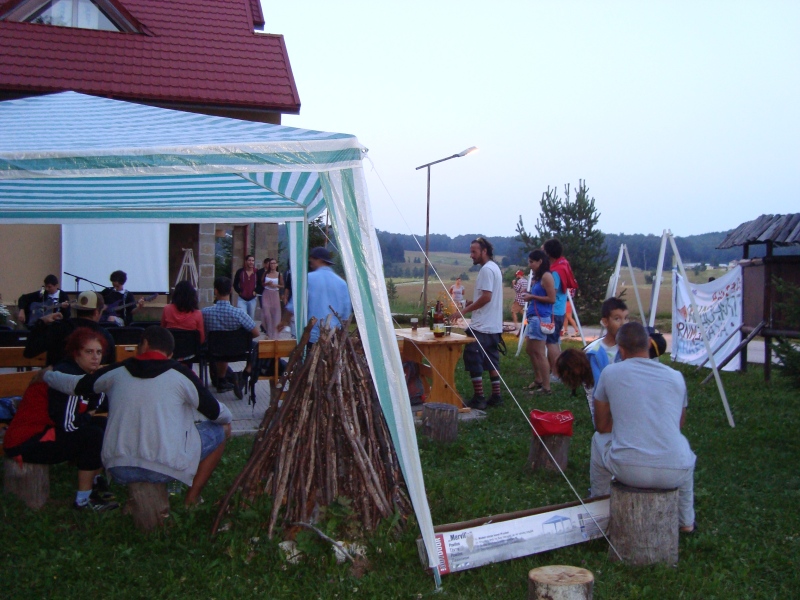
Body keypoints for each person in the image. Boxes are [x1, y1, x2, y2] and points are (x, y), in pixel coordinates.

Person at [43, 326, 232, 507]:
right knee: (221, 429)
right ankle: (192, 499)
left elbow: (73, 385)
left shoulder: (116, 371)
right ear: (170, 354)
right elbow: (218, 414)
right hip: (164, 469)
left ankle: (152, 496)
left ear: (144, 344)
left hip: (119, 467)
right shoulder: (182, 374)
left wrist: (47, 375)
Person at [590, 322, 696, 533]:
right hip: (674, 471)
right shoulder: (676, 376)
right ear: (648, 343)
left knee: (598, 440)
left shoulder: (610, 373)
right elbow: (678, 423)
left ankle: (598, 507)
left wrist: (627, 421)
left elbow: (601, 426)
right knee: (682, 450)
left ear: (621, 350)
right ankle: (686, 521)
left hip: (628, 469)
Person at [4, 329, 118, 511]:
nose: (95, 357)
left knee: (102, 425)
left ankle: (95, 482)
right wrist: (89, 414)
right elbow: (68, 425)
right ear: (76, 353)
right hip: (25, 442)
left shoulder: (86, 374)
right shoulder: (67, 378)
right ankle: (83, 500)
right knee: (93, 435)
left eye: (98, 352)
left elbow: (96, 406)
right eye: (89, 352)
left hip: (48, 432)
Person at [459, 237, 504, 410]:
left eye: (474, 252)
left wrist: (464, 310)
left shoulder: (486, 270)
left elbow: (486, 297)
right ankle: (496, 396)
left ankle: (479, 398)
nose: (471, 255)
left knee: (473, 357)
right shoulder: (495, 267)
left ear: (484, 251)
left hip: (482, 326)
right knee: (492, 359)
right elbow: (486, 296)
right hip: (494, 325)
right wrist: (473, 302)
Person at [201, 276, 260, 396]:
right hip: (237, 350)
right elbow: (256, 332)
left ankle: (221, 380)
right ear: (231, 291)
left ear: (215, 291)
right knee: (257, 347)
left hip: (214, 350)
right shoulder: (239, 313)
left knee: (219, 347)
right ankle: (245, 374)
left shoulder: (205, 312)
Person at [24, 290, 116, 367]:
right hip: (93, 382)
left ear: (77, 309)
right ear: (96, 312)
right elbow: (111, 367)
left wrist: (41, 322)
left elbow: (29, 352)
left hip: (58, 381)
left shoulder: (59, 328)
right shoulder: (105, 336)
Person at [281, 247, 352, 345]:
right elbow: (346, 313)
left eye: (312, 260)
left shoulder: (308, 279)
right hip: (333, 337)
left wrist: (283, 321)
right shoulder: (342, 283)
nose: (310, 264)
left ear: (319, 260)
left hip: (312, 336)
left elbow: (295, 304)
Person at [543, 239, 579, 382]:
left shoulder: (555, 272)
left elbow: (552, 292)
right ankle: (558, 372)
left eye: (543, 250)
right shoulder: (563, 265)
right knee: (554, 341)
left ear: (548, 253)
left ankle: (557, 374)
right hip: (559, 310)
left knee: (551, 343)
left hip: (553, 311)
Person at [521, 250, 556, 396]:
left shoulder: (547, 276)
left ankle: (546, 387)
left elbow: (552, 299)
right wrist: (530, 293)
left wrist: (532, 297)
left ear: (540, 261)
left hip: (540, 317)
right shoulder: (540, 277)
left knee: (540, 353)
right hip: (534, 317)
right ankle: (538, 379)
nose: (530, 265)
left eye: (531, 262)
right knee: (530, 350)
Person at [260, 257, 283, 339]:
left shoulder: (279, 274)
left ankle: (274, 334)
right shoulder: (266, 273)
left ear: (276, 265)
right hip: (266, 293)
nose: (272, 265)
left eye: (274, 263)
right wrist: (267, 284)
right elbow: (262, 283)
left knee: (275, 314)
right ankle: (268, 331)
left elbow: (282, 285)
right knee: (266, 314)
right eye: (271, 263)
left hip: (275, 294)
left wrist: (275, 285)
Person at [232, 255, 258, 320]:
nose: (251, 262)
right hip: (242, 299)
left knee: (251, 318)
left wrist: (256, 291)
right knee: (242, 316)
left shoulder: (257, 272)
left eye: (253, 260)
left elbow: (260, 284)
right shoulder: (240, 271)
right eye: (249, 260)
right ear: (246, 261)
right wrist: (239, 291)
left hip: (252, 299)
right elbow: (235, 284)